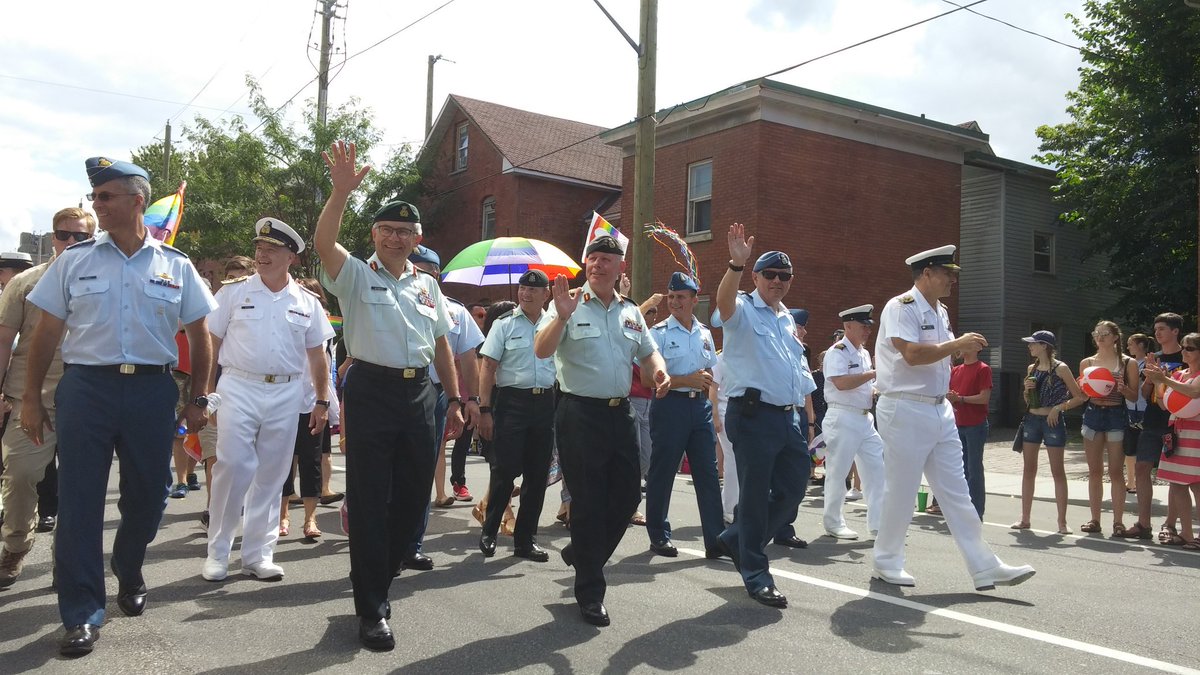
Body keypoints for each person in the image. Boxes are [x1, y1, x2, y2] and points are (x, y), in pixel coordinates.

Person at [23, 157, 216, 656]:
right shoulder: (75, 260)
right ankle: (82, 612)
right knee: (80, 502)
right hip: (86, 388)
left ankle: (128, 565)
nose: (98, 205)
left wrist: (199, 398)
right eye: (95, 197)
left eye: (106, 197)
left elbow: (200, 334)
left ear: (137, 200)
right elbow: (46, 332)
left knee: (150, 496)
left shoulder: (176, 264)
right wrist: (30, 399)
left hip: (152, 391)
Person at [313, 141, 464, 651]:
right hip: (372, 390)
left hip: (421, 393)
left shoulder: (427, 287)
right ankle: (372, 608)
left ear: (417, 238)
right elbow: (324, 243)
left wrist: (455, 399)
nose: (397, 238)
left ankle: (379, 570)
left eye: (405, 232)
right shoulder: (355, 274)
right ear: (374, 235)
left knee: (413, 498)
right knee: (370, 499)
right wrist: (340, 193)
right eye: (387, 230)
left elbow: (441, 343)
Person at [870, 244, 1034, 591]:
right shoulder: (901, 306)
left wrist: (956, 348)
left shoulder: (940, 311)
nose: (953, 280)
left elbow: (936, 358)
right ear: (927, 273)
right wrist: (957, 344)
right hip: (905, 406)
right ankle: (887, 561)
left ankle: (984, 566)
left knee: (957, 490)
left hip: (939, 407)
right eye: (947, 274)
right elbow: (912, 354)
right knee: (902, 489)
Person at [534, 234, 669, 627]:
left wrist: (659, 371)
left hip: (620, 413)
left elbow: (648, 351)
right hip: (579, 413)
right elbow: (541, 350)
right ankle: (590, 592)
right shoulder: (568, 302)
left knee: (627, 497)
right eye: (592, 258)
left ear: (620, 266)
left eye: (606, 259)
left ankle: (582, 553)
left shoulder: (630, 311)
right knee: (589, 502)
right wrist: (561, 316)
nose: (597, 264)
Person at [201, 219, 333, 582]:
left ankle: (258, 554)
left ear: (291, 257)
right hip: (238, 386)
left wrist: (322, 401)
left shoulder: (307, 302)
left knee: (273, 474)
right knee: (232, 466)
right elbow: (211, 342)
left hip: (286, 391)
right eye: (259, 248)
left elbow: (317, 354)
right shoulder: (233, 293)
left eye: (272, 249)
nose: (262, 255)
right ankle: (218, 552)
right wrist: (206, 393)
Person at [712, 224, 811, 609]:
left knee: (795, 487)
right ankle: (755, 572)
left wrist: (804, 417)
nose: (777, 281)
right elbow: (723, 305)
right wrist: (735, 265)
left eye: (784, 276)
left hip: (786, 418)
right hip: (752, 415)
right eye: (769, 274)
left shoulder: (786, 319)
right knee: (753, 498)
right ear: (755, 278)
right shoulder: (742, 308)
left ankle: (737, 538)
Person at [0, 208, 95, 588]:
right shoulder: (25, 283)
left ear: (92, 239)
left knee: (78, 486)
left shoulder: (101, 283)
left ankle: (65, 559)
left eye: (80, 236)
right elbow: (4, 341)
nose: (70, 242)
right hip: (30, 399)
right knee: (20, 475)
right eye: (63, 234)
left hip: (85, 402)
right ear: (53, 237)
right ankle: (15, 545)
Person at [407, 244, 483, 571]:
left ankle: (411, 545)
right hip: (397, 386)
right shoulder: (395, 301)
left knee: (424, 466)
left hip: (436, 392)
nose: (424, 276)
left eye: (429, 271)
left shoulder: (456, 311)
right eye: (416, 269)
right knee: (393, 465)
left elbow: (468, 357)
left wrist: (471, 400)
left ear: (438, 274)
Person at [477, 269, 555, 561]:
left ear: (546, 294)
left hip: (545, 402)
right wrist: (485, 409)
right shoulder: (504, 323)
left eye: (533, 290)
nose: (525, 293)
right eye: (523, 288)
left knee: (537, 475)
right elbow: (488, 367)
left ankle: (526, 540)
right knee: (504, 471)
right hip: (512, 402)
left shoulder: (555, 323)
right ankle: (490, 530)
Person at [644, 272, 724, 558]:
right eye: (671, 296)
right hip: (670, 406)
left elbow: (710, 370)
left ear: (694, 300)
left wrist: (710, 403)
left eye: (680, 297)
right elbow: (647, 377)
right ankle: (658, 535)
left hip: (699, 408)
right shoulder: (659, 333)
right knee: (663, 472)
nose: (674, 302)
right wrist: (685, 380)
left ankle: (716, 540)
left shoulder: (704, 332)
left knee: (708, 474)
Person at [279, 277, 340, 540]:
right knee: (282, 461)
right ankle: (282, 516)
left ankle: (310, 519)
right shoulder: (281, 316)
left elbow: (322, 363)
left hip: (310, 400)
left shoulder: (320, 322)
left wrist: (322, 402)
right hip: (282, 400)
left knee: (311, 460)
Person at [821, 305, 885, 540]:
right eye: (863, 326)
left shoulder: (863, 353)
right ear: (848, 326)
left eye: (869, 326)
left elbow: (863, 385)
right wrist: (874, 373)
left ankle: (878, 524)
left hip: (864, 417)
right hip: (843, 416)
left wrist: (875, 388)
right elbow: (841, 383)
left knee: (877, 470)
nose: (868, 330)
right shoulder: (837, 352)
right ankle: (833, 522)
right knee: (838, 473)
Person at [1012, 331, 1086, 533]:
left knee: (1057, 471)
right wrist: (1026, 390)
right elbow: (1028, 401)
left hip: (1052, 421)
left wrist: (1058, 408)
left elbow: (1080, 397)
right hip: (1032, 420)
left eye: (1033, 344)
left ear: (1044, 346)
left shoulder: (1061, 368)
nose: (1030, 347)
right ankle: (1025, 518)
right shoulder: (1032, 368)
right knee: (1029, 469)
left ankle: (1062, 522)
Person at [1079, 321, 1139, 536]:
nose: (1100, 337)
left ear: (1115, 337)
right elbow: (1083, 396)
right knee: (1094, 471)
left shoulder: (1128, 363)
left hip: (1116, 415)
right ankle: (1095, 519)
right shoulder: (1087, 362)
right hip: (1093, 414)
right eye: (1097, 333)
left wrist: (1123, 390)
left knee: (1115, 471)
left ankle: (1118, 522)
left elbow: (1135, 396)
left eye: (1105, 333)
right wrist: (1081, 388)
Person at [1144, 332, 1200, 549]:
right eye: (1183, 347)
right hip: (1176, 432)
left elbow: (1194, 392)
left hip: (1196, 435)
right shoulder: (1179, 374)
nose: (1184, 351)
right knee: (1177, 484)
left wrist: (1164, 379)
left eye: (1190, 348)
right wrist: (1159, 382)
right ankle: (1186, 533)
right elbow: (1163, 404)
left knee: (1196, 485)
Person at [1135, 313, 1184, 544]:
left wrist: (1163, 380)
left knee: (1173, 475)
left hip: (1175, 422)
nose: (1157, 333)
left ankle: (1169, 525)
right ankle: (1143, 524)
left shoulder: (1187, 356)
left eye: (1162, 329)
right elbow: (1145, 394)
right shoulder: (1154, 358)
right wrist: (1149, 378)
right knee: (1141, 468)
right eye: (1156, 329)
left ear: (1175, 331)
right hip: (1152, 420)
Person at [948, 336, 992, 518]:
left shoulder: (983, 369)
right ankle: (961, 510)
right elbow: (949, 394)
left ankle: (976, 511)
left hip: (975, 425)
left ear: (976, 348)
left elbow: (984, 397)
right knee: (960, 469)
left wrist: (960, 399)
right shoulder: (955, 370)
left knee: (974, 469)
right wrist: (951, 397)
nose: (962, 346)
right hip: (958, 424)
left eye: (967, 343)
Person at [1123, 333, 1151, 494]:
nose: (1128, 347)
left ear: (1140, 345)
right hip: (1128, 407)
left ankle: (1141, 482)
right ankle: (1131, 481)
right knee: (1129, 446)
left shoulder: (1148, 363)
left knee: (1143, 448)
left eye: (1130, 344)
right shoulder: (1127, 362)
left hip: (1144, 408)